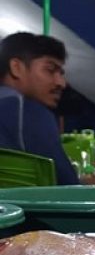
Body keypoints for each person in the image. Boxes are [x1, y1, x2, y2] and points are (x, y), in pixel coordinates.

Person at [0, 32, 78, 185]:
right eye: (50, 70)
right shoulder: (28, 112)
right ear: (16, 67)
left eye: (61, 73)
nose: (61, 83)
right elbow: (69, 187)